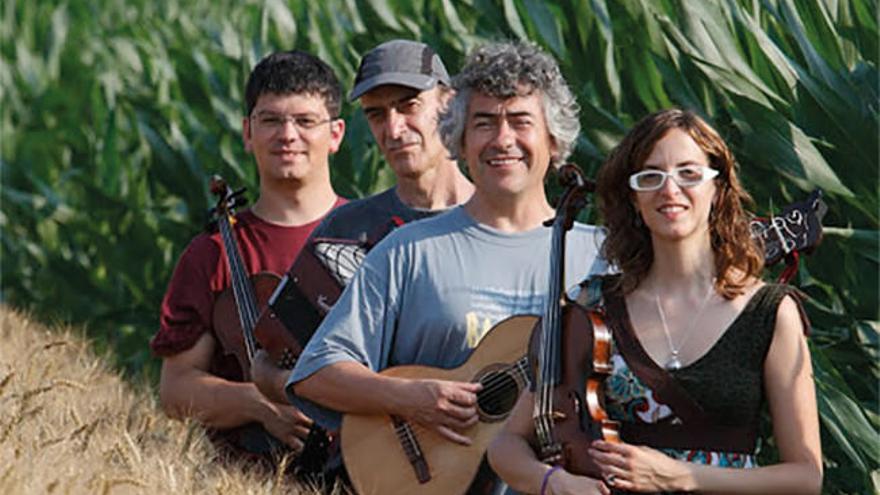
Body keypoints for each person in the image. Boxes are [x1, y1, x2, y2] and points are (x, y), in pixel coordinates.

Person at [286, 41, 607, 492]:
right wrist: (412, 398)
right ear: (459, 138)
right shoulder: (408, 251)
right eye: (484, 123)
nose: (502, 139)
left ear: (554, 138)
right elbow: (315, 373)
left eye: (520, 121)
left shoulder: (603, 258)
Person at [487, 109, 822, 494]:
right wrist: (554, 483)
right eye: (651, 176)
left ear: (717, 190)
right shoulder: (591, 304)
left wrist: (679, 476)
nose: (670, 189)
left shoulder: (770, 312)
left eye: (689, 174)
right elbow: (506, 445)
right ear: (634, 199)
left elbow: (805, 477)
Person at [150, 50, 347, 464]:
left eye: (305, 121)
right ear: (247, 132)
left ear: (336, 135)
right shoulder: (212, 253)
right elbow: (175, 389)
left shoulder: (372, 237)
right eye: (271, 120)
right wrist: (258, 402)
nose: (287, 135)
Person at [250, 39, 473, 404]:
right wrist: (306, 392)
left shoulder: (495, 222)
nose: (394, 128)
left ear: (448, 103)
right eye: (376, 114)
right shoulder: (345, 232)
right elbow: (266, 361)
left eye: (408, 106)